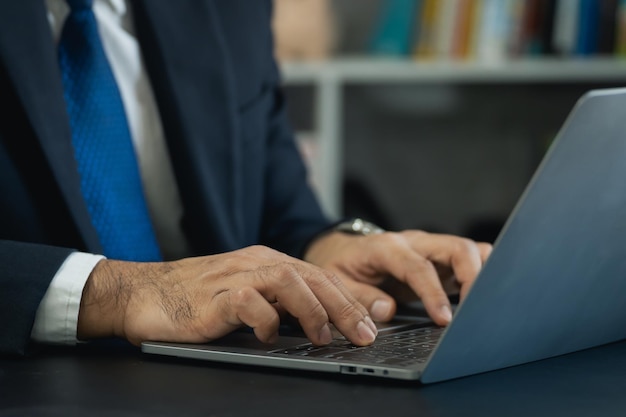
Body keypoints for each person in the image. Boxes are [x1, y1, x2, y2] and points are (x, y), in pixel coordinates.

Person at [0, 0, 491, 356]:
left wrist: (329, 248)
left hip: (229, 374)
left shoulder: (231, 10)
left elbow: (278, 206)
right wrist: (120, 292)